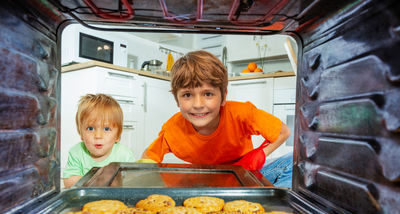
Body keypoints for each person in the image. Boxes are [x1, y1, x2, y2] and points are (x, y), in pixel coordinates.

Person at [141, 50, 293, 187]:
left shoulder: (241, 113)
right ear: (177, 100)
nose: (198, 105)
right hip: (205, 181)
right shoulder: (172, 129)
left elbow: (283, 131)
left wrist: (257, 155)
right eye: (187, 95)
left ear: (223, 97)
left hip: (245, 174)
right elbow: (149, 156)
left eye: (208, 94)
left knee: (295, 160)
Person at [63, 94, 135, 188]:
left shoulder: (125, 154)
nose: (98, 136)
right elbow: (69, 181)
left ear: (117, 135)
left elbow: (132, 181)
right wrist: (98, 181)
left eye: (106, 129)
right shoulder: (76, 152)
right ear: (81, 133)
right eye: (90, 128)